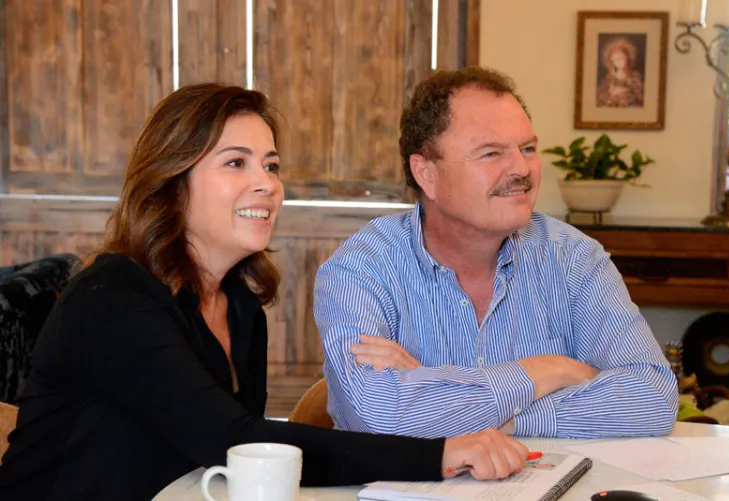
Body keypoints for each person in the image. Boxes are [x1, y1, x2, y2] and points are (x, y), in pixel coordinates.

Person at [0, 83, 530, 501]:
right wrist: (440, 453)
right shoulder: (110, 297)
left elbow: (248, 455)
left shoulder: (240, 304)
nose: (267, 183)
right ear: (171, 181)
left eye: (271, 165)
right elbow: (234, 440)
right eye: (236, 163)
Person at [314, 67, 678, 440]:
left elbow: (653, 399)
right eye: (491, 153)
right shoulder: (360, 268)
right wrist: (549, 371)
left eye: (528, 149)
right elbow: (377, 413)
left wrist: (470, 410)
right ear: (427, 174)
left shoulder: (573, 259)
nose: (521, 169)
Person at [596, 37, 645, 108]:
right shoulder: (610, 78)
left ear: (628, 58)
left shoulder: (635, 76)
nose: (618, 62)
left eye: (621, 58)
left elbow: (641, 95)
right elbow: (602, 96)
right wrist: (612, 94)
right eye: (615, 60)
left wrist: (627, 92)